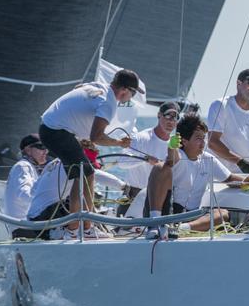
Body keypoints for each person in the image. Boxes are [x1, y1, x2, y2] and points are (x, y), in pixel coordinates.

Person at [38, 69, 140, 237]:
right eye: (133, 94)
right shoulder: (109, 102)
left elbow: (80, 86)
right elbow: (96, 137)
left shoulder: (99, 87)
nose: (131, 98)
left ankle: (76, 228)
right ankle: (83, 230)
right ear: (124, 91)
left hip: (50, 127)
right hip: (56, 131)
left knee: (83, 175)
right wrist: (119, 143)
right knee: (88, 175)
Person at [145, 114, 249, 240]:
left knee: (223, 214)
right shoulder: (178, 154)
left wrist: (247, 182)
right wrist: (171, 147)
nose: (203, 142)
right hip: (168, 212)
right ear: (184, 141)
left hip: (191, 215)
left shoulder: (208, 159)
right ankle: (154, 224)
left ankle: (181, 229)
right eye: (198, 138)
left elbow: (229, 178)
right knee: (160, 167)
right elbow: (171, 160)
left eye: (204, 138)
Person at [26, 142, 127, 240]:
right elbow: (96, 175)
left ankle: (69, 230)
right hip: (45, 221)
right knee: (77, 199)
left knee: (73, 197)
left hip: (33, 219)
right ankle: (72, 231)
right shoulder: (74, 164)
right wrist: (124, 187)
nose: (91, 166)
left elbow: (34, 189)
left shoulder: (54, 162)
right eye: (90, 163)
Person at [115, 102, 179, 216]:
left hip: (159, 201)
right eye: (168, 116)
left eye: (175, 118)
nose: (171, 121)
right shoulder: (141, 137)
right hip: (133, 199)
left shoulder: (174, 145)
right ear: (159, 115)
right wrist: (145, 159)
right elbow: (121, 162)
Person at [4, 134, 48, 238]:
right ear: (28, 150)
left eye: (47, 147)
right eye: (41, 147)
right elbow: (25, 194)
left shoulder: (29, 167)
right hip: (24, 227)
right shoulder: (23, 166)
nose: (46, 151)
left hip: (25, 226)